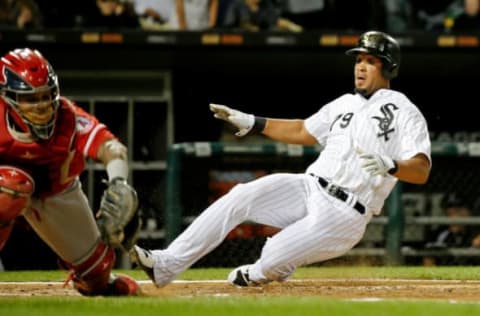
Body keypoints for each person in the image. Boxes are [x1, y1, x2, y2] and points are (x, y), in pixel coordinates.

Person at [131, 30, 431, 287]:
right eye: (358, 59)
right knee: (241, 196)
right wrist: (252, 122)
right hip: (310, 186)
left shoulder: (404, 110)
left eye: (371, 61)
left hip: (346, 212)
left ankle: (267, 269)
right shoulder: (345, 103)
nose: (361, 67)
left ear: (388, 68)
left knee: (272, 258)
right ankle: (166, 264)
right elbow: (302, 130)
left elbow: (421, 169)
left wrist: (392, 165)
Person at [0, 48, 141, 296]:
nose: (42, 106)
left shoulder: (68, 116)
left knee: (98, 274)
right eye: (31, 99)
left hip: (56, 192)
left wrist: (119, 182)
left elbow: (112, 148)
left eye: (46, 96)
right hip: (8, 184)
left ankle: (94, 277)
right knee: (11, 187)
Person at [422, 192, 480, 266]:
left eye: (459, 207)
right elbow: (428, 256)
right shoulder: (439, 233)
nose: (454, 211)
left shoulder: (475, 232)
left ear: (469, 211)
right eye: (450, 207)